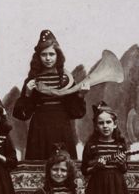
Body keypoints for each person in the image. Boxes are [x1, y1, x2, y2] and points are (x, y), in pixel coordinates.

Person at [12, 29, 87, 160]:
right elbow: (22, 114)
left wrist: (81, 95)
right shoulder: (32, 80)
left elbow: (76, 113)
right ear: (38, 57)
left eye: (51, 54)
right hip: (39, 129)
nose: (48, 58)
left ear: (58, 55)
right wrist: (27, 94)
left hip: (62, 127)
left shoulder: (66, 79)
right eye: (44, 54)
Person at [82, 101, 133, 194]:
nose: (105, 126)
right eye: (101, 123)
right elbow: (84, 170)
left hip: (117, 186)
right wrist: (96, 167)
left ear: (115, 124)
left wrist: (121, 163)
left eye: (108, 122)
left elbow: (124, 170)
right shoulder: (91, 145)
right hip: (97, 186)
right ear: (96, 126)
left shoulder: (121, 145)